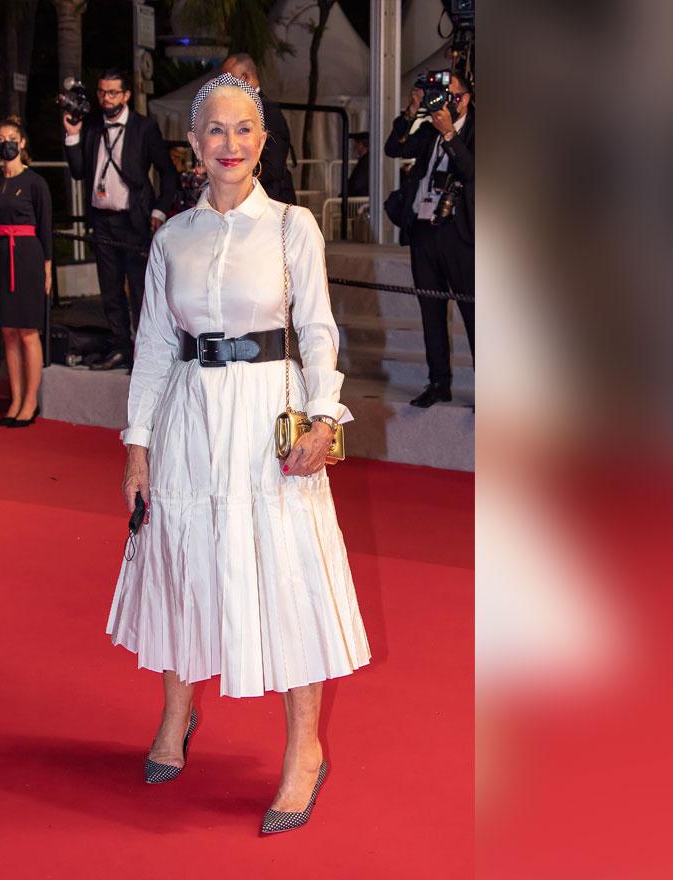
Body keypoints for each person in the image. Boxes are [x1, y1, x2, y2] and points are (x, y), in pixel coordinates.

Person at [105, 73, 370, 834]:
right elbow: (154, 346)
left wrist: (324, 417)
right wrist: (137, 446)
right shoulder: (171, 238)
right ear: (194, 144)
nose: (230, 144)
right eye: (215, 131)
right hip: (190, 413)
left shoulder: (293, 227)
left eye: (244, 129)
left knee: (286, 574)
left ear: (263, 140)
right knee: (184, 560)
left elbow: (318, 330)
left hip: (268, 421)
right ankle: (176, 715)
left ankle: (305, 750)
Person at [63, 69, 177, 371]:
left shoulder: (144, 128)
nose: (106, 98)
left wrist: (159, 210)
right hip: (102, 220)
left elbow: (168, 172)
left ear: (126, 95)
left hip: (135, 221)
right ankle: (120, 348)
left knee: (140, 289)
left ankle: (146, 354)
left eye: (113, 92)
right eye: (102, 92)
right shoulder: (91, 126)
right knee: (110, 288)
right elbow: (77, 172)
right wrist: (72, 134)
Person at [385, 72, 474, 408]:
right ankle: (439, 382)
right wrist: (411, 111)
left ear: (463, 98)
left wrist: (449, 133)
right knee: (431, 311)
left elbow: (473, 171)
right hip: (424, 230)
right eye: (437, 93)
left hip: (461, 234)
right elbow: (393, 148)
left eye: (447, 94)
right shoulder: (426, 129)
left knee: (474, 313)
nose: (440, 100)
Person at [0, 117, 52, 428]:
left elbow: (46, 228)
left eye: (11, 137)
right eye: (0, 138)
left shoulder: (35, 182)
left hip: (28, 258)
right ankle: (14, 399)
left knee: (27, 332)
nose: (5, 142)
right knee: (7, 332)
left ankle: (30, 402)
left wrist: (48, 268)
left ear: (22, 143)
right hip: (0, 257)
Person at [219, 53, 297, 204]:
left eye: (228, 80)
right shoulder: (241, 110)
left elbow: (272, 168)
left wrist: (230, 172)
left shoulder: (269, 112)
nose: (223, 87)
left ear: (245, 78)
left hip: (269, 203)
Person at [345, 132, 370, 197]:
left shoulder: (365, 162)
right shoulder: (366, 160)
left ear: (361, 144)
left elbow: (357, 184)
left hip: (359, 203)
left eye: (356, 143)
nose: (355, 146)